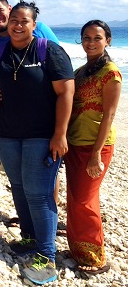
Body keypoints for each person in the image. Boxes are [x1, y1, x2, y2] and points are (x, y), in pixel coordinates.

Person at [0, 0, 74, 285]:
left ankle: (47, 257)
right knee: (18, 187)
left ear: (33, 25)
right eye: (13, 19)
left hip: (42, 134)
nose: (17, 24)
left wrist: (60, 134)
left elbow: (66, 93)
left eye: (23, 20)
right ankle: (29, 238)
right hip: (6, 133)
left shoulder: (48, 50)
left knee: (39, 193)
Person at [0, 0, 62, 207]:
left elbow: (60, 65)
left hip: (44, 111)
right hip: (10, 117)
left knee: (44, 172)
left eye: (0, 11)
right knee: (18, 174)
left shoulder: (39, 29)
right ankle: (27, 216)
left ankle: (49, 212)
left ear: (9, 9)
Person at [64, 20, 121, 275]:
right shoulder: (81, 72)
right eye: (86, 37)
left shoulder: (111, 73)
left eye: (97, 38)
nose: (90, 42)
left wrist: (96, 154)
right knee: (75, 199)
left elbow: (109, 115)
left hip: (95, 146)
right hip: (75, 143)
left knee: (85, 201)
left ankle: (96, 257)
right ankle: (77, 250)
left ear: (107, 40)